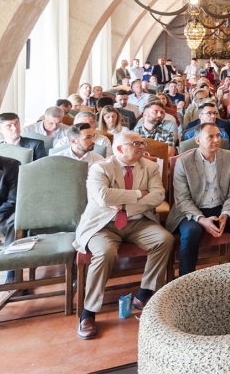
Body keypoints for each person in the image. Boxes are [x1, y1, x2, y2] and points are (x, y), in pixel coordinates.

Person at [73, 132, 174, 339]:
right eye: (136, 143)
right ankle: (88, 313)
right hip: (103, 224)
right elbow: (103, 197)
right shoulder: (99, 167)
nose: (141, 147)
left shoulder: (150, 166)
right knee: (106, 252)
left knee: (164, 239)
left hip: (138, 221)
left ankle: (144, 294)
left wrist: (126, 204)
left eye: (142, 143)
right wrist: (139, 194)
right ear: (119, 149)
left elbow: (157, 196)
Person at [167, 123, 230, 276]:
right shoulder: (184, 162)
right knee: (191, 232)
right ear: (198, 140)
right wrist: (201, 219)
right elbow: (182, 199)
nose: (216, 140)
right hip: (193, 210)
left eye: (218, 136)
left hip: (221, 206)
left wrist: (226, 213)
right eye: (211, 136)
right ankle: (185, 281)